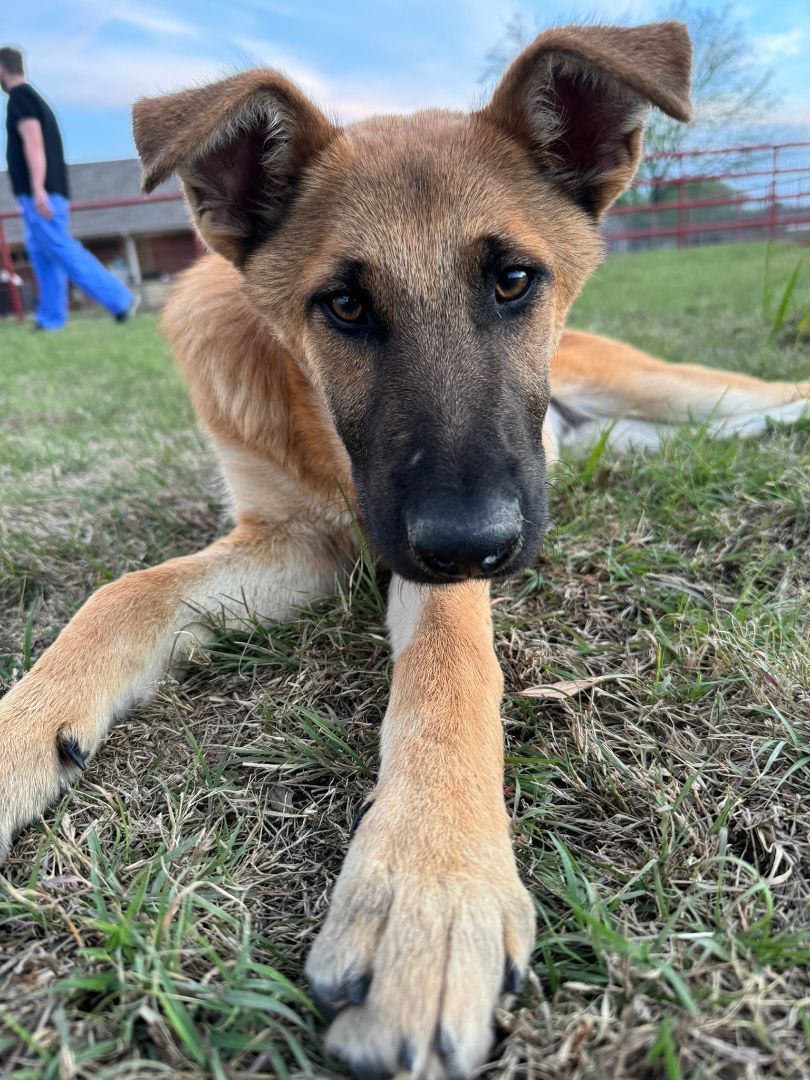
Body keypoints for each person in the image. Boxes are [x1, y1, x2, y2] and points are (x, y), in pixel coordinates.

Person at [0, 46, 136, 330]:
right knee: (41, 253)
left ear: (2, 68)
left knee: (60, 248)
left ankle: (120, 299)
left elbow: (33, 142)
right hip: (40, 194)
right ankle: (50, 319)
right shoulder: (32, 98)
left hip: (42, 193)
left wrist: (37, 188)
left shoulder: (21, 98)